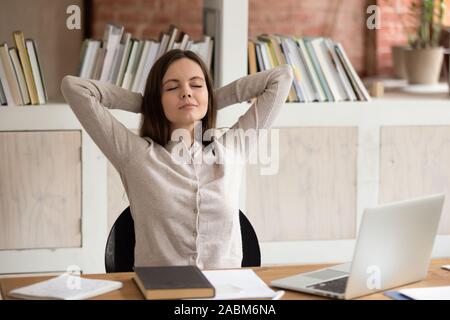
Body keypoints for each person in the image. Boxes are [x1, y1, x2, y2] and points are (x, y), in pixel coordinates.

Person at [61, 49, 293, 269]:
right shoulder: (135, 155)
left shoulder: (232, 148)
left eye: (196, 84)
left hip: (227, 291)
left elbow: (281, 77)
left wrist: (210, 100)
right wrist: (147, 103)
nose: (186, 92)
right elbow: (75, 87)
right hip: (161, 292)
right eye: (172, 88)